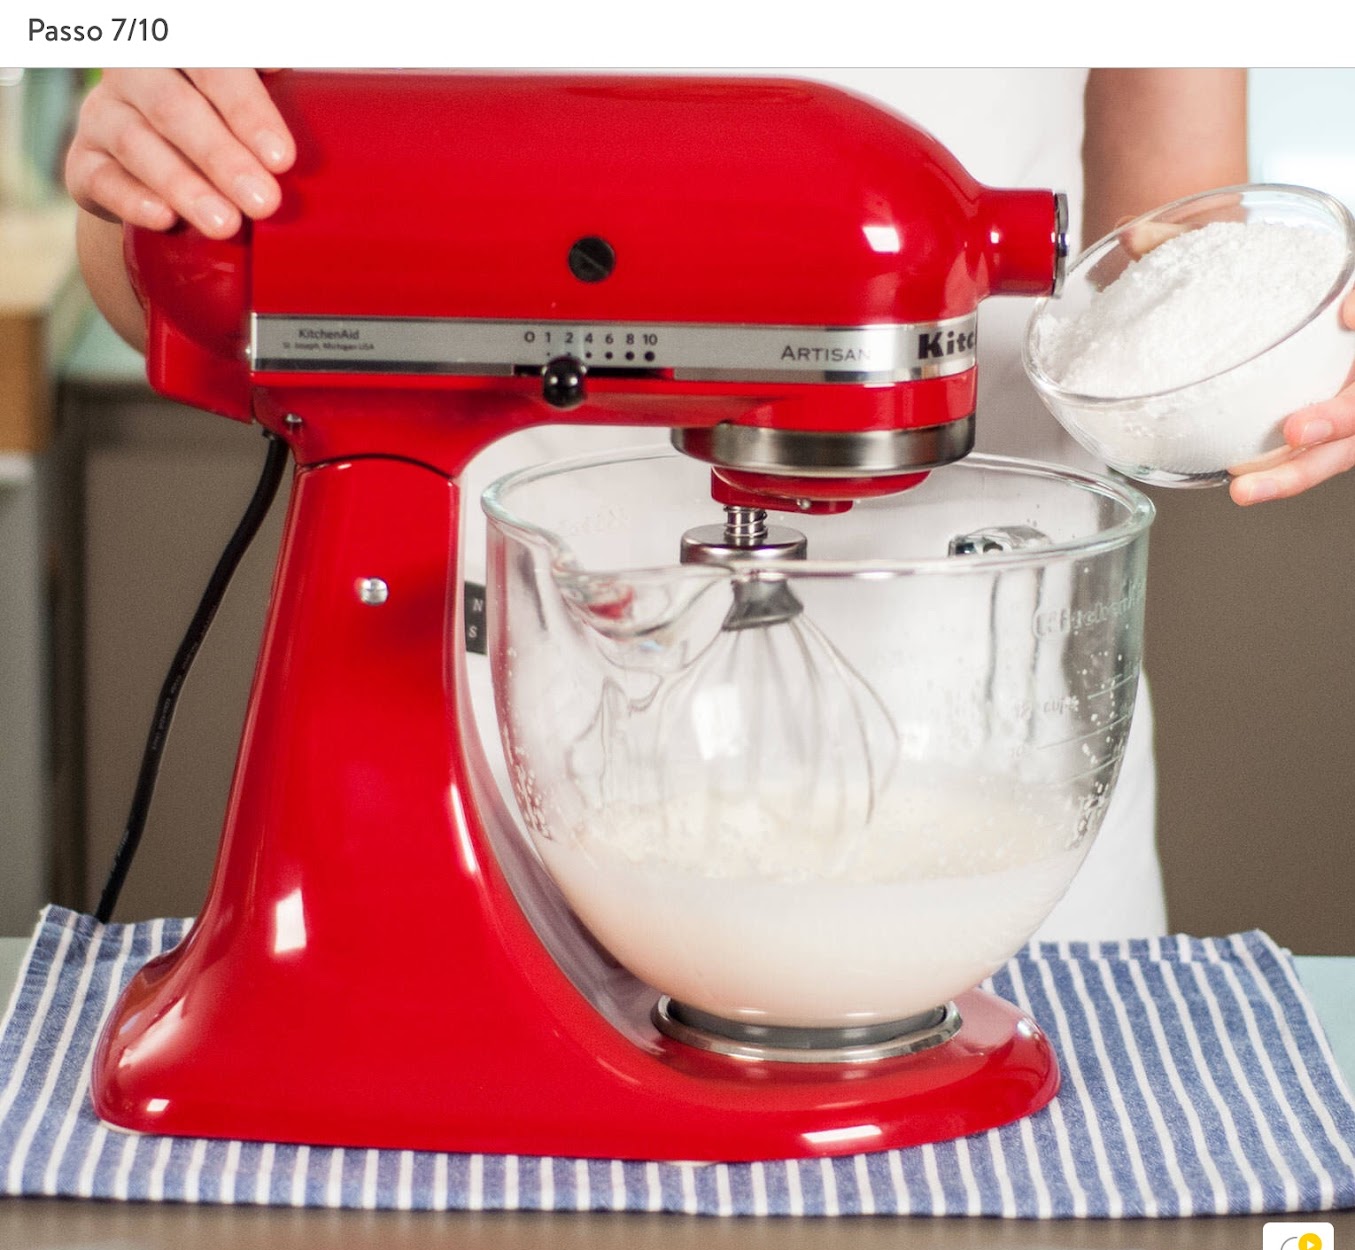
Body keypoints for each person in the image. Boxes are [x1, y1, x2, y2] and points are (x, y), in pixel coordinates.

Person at [63, 68, 1355, 940]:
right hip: (489, 749)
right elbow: (170, 273)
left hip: (979, 790)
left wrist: (1282, 348)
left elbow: (1169, 246)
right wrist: (152, 185)